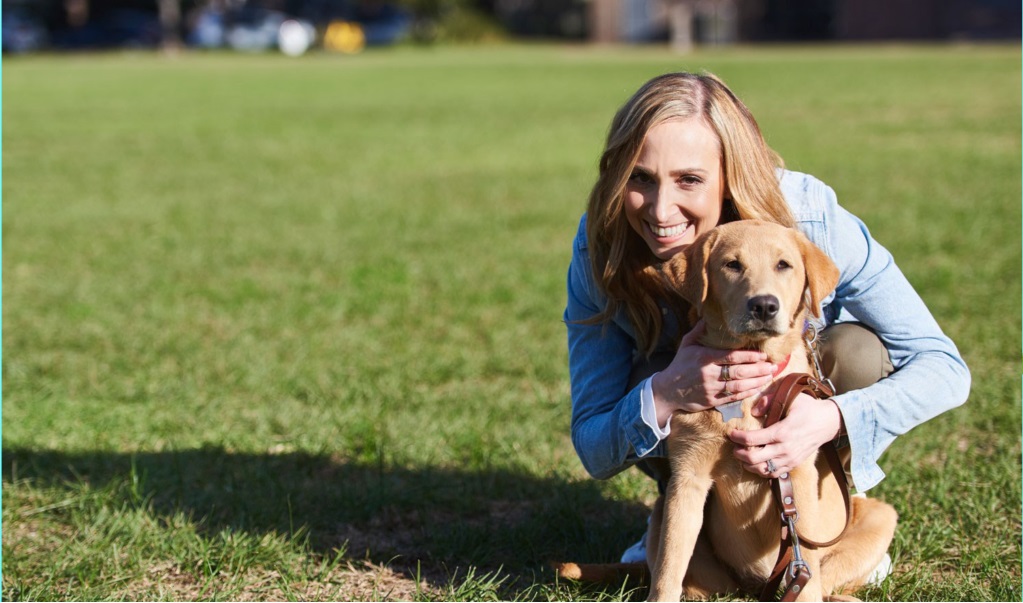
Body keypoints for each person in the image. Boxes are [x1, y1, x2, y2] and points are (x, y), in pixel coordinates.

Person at [563, 72, 970, 567]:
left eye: (689, 179)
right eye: (639, 179)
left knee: (856, 353)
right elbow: (593, 443)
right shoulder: (601, 248)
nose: (660, 209)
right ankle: (685, 526)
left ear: (729, 174)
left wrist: (829, 419)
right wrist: (669, 392)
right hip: (698, 445)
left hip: (806, 416)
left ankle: (828, 521)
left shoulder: (810, 218)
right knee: (645, 382)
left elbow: (945, 368)